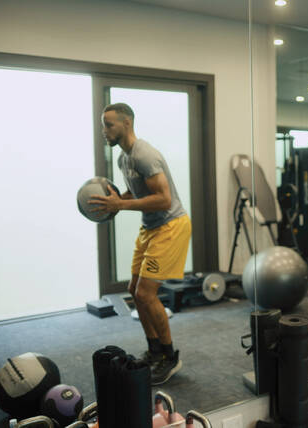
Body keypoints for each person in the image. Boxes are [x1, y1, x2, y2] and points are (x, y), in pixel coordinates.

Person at [91, 102, 191, 385]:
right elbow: (136, 193)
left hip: (171, 226)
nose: (104, 130)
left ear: (126, 123)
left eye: (108, 124)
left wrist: (120, 205)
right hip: (150, 227)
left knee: (146, 293)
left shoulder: (144, 155)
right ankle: (154, 350)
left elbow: (164, 199)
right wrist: (114, 201)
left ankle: (170, 356)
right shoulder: (123, 159)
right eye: (103, 124)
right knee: (134, 291)